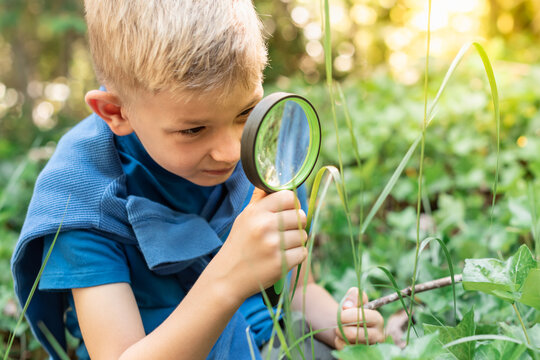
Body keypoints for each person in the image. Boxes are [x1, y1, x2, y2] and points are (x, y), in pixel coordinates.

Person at [11, 1, 384, 359]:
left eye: (246, 113)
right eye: (193, 130)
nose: (231, 152)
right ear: (116, 111)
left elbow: (300, 290)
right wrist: (229, 277)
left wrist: (338, 326)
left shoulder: (266, 153)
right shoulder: (80, 199)